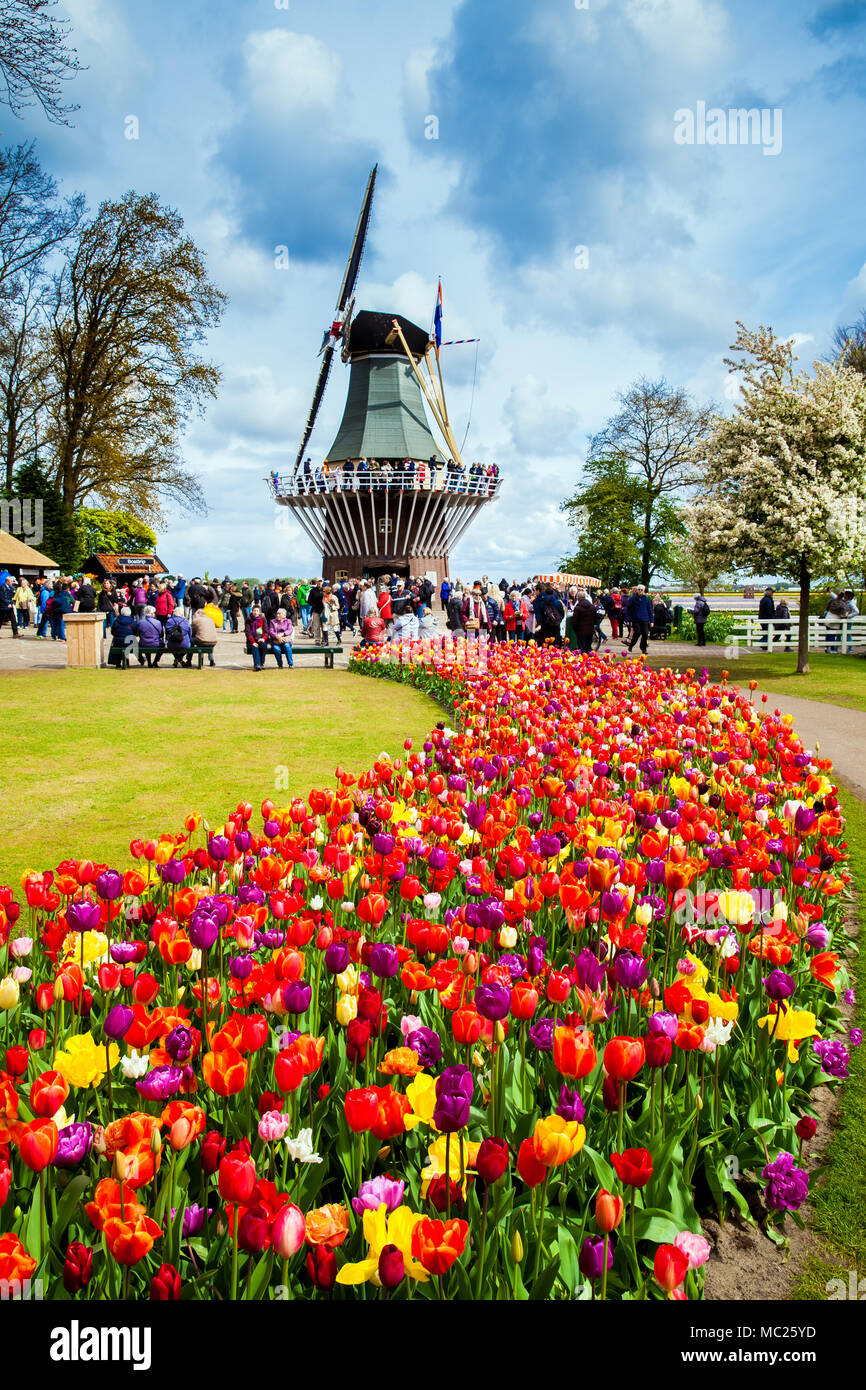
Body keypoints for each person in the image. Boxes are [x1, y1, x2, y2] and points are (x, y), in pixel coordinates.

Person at [625, 585, 653, 654]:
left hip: (644, 619)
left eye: (641, 590)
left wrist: (652, 621)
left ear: (644, 591)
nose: (640, 591)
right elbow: (628, 610)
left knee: (645, 634)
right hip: (635, 619)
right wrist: (627, 620)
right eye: (639, 589)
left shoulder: (646, 599)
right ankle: (631, 645)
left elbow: (650, 610)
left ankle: (643, 648)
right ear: (637, 590)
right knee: (637, 633)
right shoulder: (633, 599)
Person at [567, 589, 597, 654]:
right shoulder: (592, 607)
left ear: (578, 598)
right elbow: (595, 619)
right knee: (588, 648)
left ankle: (583, 662)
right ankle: (590, 662)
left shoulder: (578, 608)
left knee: (582, 649)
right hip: (590, 630)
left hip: (581, 631)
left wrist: (576, 630)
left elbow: (574, 621)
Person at [245, 605, 269, 671]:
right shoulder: (248, 620)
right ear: (252, 611)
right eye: (254, 611)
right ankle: (257, 664)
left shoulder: (263, 619)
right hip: (251, 640)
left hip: (260, 638)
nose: (255, 612)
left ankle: (262, 663)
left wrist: (263, 638)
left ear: (260, 612)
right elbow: (248, 633)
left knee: (263, 645)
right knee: (255, 646)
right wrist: (253, 642)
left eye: (257, 611)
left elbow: (266, 631)